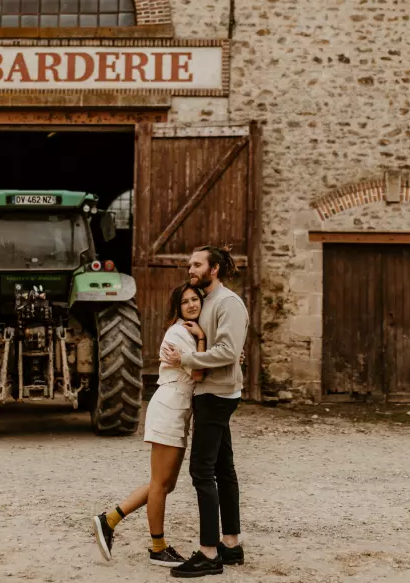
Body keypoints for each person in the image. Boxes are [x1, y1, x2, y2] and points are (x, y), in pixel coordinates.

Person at [92, 282, 208, 567]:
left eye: (195, 299)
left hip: (178, 410)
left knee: (166, 483)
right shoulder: (179, 332)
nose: (192, 305)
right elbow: (199, 374)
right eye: (186, 302)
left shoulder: (190, 332)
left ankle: (109, 519)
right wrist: (204, 340)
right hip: (169, 407)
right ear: (177, 308)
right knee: (160, 483)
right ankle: (157, 547)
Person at [161, 246, 249, 578]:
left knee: (202, 470)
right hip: (211, 392)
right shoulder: (205, 301)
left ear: (214, 269)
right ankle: (231, 544)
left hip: (217, 394)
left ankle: (209, 553)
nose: (190, 268)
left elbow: (227, 352)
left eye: (197, 264)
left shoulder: (228, 303)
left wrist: (183, 360)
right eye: (189, 264)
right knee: (224, 469)